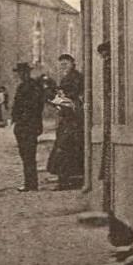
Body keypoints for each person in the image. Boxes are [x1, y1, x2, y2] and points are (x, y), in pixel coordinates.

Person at [46, 53, 85, 189]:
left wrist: (63, 100)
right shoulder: (66, 78)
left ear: (72, 63)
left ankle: (67, 180)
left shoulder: (76, 77)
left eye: (66, 63)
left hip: (74, 119)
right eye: (61, 63)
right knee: (64, 148)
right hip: (67, 117)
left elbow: (75, 97)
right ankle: (66, 179)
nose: (63, 65)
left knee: (66, 148)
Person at [10, 62, 45, 192]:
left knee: (28, 154)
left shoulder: (32, 86)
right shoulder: (24, 86)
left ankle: (31, 184)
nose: (20, 75)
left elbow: (36, 106)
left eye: (22, 72)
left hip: (28, 124)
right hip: (23, 125)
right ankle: (30, 183)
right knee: (26, 154)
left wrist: (22, 118)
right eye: (19, 73)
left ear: (27, 73)